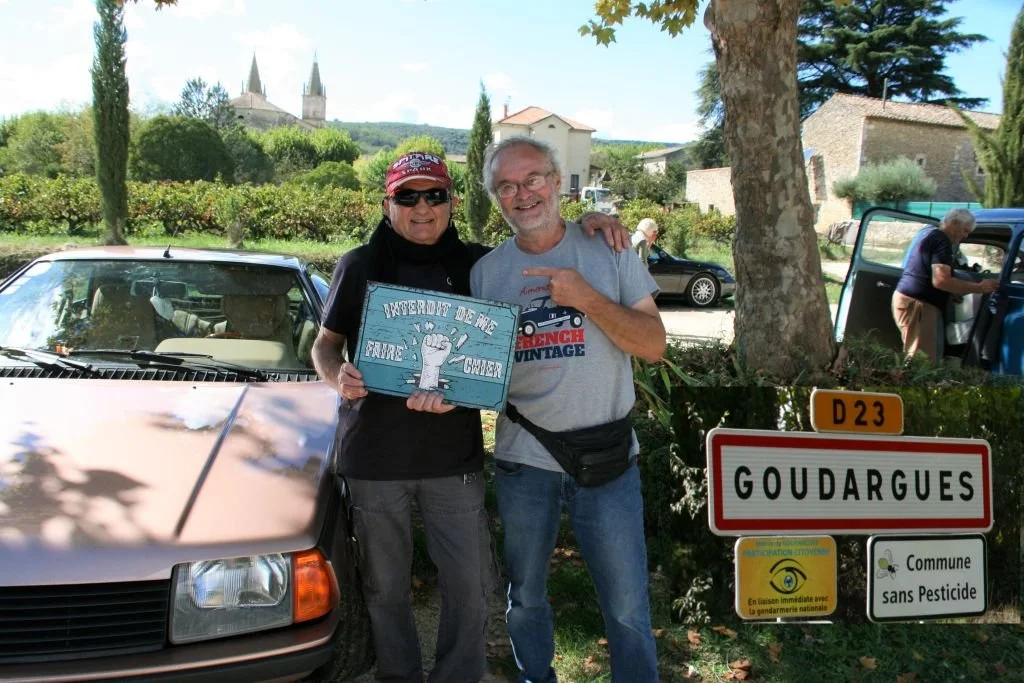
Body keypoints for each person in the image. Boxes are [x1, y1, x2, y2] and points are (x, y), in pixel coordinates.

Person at [311, 151, 631, 683]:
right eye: (407, 196)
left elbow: (540, 239)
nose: (421, 207)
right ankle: (400, 675)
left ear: (452, 202)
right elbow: (325, 346)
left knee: (467, 585)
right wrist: (335, 376)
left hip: (450, 458)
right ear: (387, 203)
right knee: (384, 587)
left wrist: (595, 226)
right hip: (372, 457)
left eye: (434, 195)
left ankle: (458, 675)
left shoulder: (480, 266)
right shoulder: (357, 266)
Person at [470, 137, 665, 683]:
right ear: (496, 198)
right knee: (525, 596)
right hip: (524, 459)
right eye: (506, 186)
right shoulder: (486, 274)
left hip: (608, 460)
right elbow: (481, 371)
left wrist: (586, 298)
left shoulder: (611, 249)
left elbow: (652, 344)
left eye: (532, 178)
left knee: (627, 608)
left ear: (558, 182)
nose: (522, 193)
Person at [892, 207, 999, 361]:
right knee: (921, 360)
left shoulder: (933, 236)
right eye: (965, 230)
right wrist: (979, 287)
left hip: (914, 301)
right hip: (919, 304)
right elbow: (941, 280)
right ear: (955, 223)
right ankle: (915, 385)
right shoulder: (941, 240)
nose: (965, 236)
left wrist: (951, 291)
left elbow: (933, 277)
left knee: (920, 355)